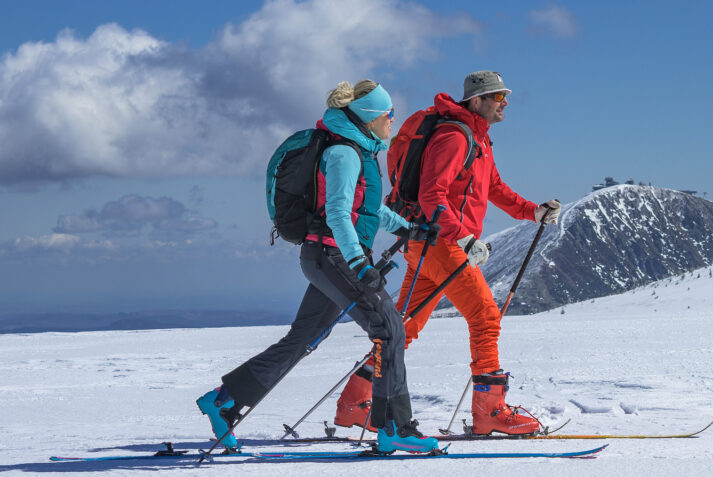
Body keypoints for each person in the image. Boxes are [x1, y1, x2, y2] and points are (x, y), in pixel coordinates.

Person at [197, 80, 438, 454]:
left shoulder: (357, 151)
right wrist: (359, 263)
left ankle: (223, 400)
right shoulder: (344, 154)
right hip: (335, 257)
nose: (393, 119)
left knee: (304, 338)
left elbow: (367, 209)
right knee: (389, 328)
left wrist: (409, 228)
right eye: (389, 113)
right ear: (370, 117)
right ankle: (395, 427)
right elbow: (339, 214)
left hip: (327, 257)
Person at [333, 71, 561, 435]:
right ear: (476, 101)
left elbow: (493, 186)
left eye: (505, 96)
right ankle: (490, 411)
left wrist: (532, 211)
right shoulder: (455, 137)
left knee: (403, 327)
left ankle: (354, 402)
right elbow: (431, 195)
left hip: (428, 244)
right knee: (485, 316)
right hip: (442, 244)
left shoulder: (477, 139)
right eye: (497, 97)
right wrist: (464, 238)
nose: (505, 102)